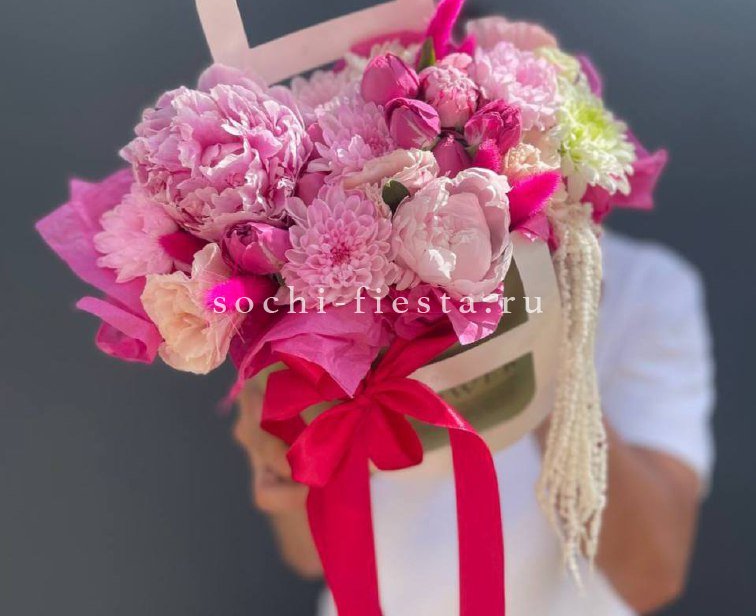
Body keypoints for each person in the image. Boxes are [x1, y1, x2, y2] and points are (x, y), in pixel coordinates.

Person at [233, 231, 714, 615]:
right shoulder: (318, 285)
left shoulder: (647, 288)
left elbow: (652, 577)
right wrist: (289, 462)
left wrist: (548, 340)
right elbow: (308, 554)